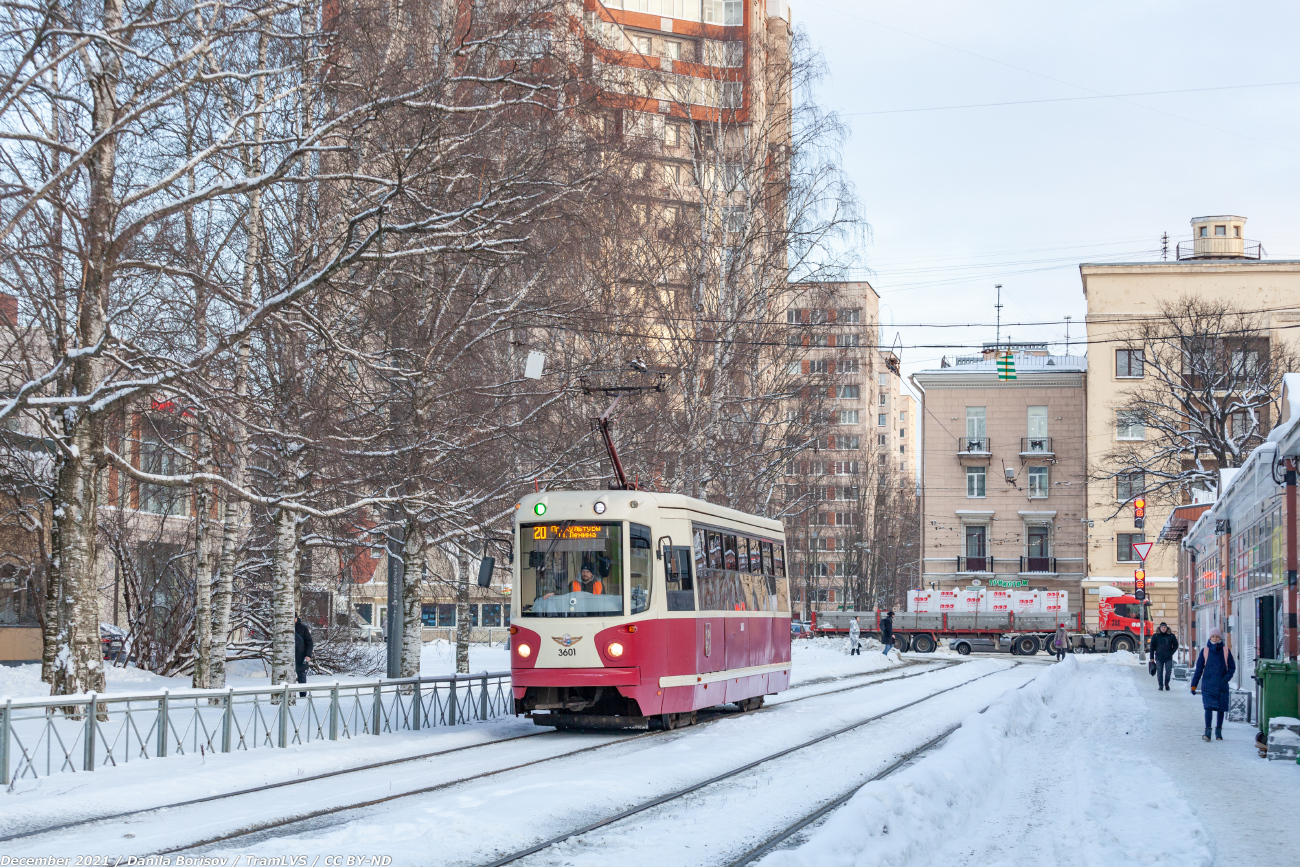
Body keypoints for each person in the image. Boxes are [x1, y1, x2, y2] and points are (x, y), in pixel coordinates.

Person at [1190, 627, 1235, 741]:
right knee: (1208, 708)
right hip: (1208, 684)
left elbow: (1232, 667)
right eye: (1213, 636)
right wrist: (1194, 685)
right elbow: (1199, 669)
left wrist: (1226, 679)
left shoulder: (1225, 650)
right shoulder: (1205, 650)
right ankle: (1208, 732)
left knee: (1221, 709)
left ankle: (1219, 731)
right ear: (1210, 637)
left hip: (1222, 685)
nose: (1215, 638)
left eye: (1217, 636)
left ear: (1220, 637)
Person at [1149, 621, 1179, 691]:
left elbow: (1176, 645)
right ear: (1160, 628)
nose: (1163, 629)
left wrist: (1171, 652)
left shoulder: (1171, 636)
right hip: (1159, 657)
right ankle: (1160, 685)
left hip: (1168, 657)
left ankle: (1167, 684)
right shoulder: (1155, 636)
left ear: (1166, 628)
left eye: (1164, 627)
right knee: (1159, 671)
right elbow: (1152, 647)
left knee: (1168, 671)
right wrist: (1152, 657)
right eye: (1162, 627)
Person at [294, 614, 314, 698]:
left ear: (296, 618)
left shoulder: (303, 628)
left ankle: (303, 696)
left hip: (301, 657)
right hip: (289, 657)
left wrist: (308, 655)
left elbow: (309, 643)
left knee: (301, 677)